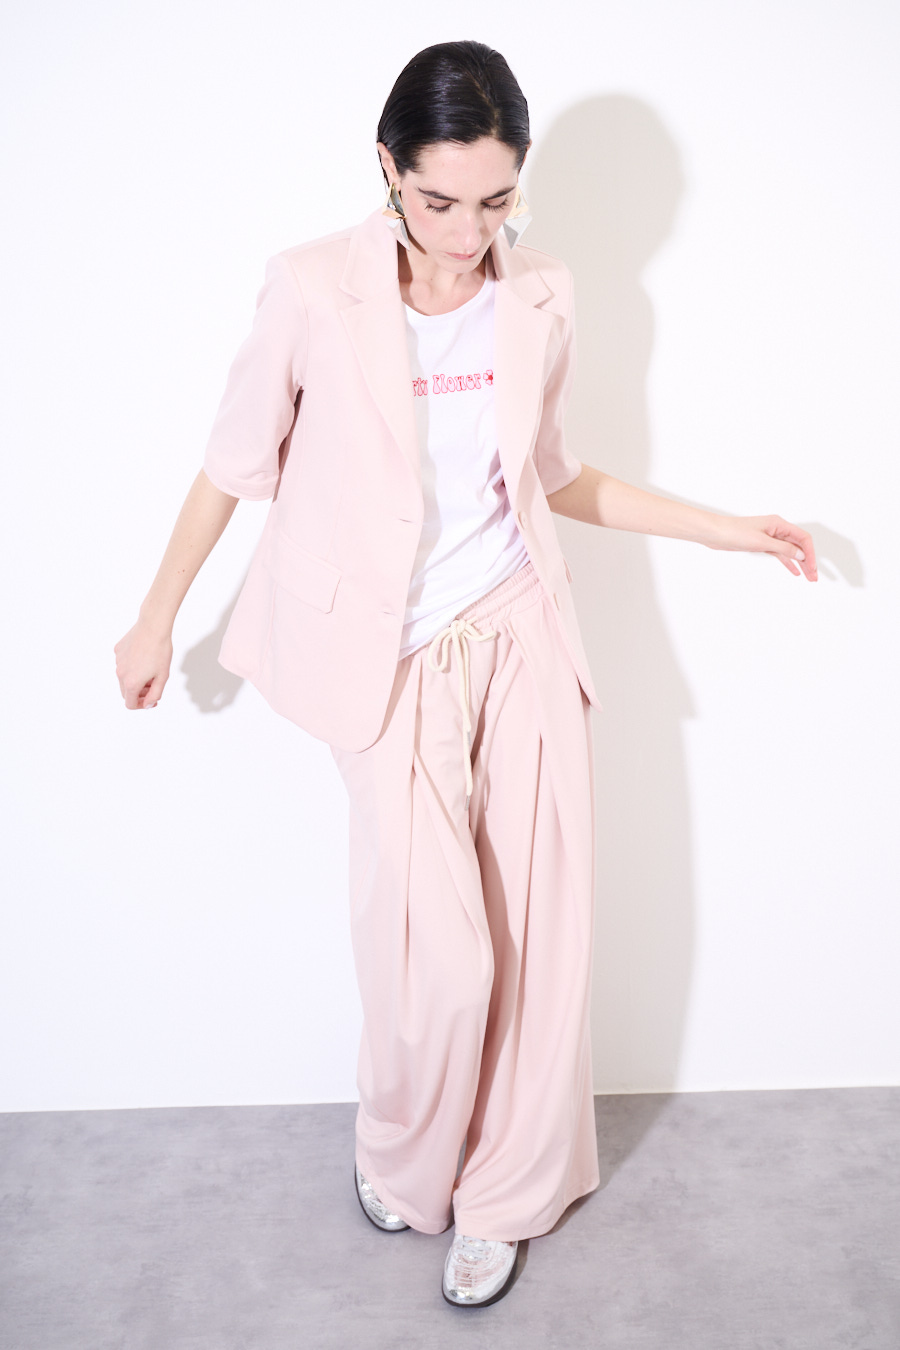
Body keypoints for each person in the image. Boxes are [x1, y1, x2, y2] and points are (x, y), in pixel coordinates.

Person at [114, 40, 817, 1309]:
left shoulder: (540, 292)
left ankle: (505, 1197)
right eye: (438, 199)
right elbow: (232, 464)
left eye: (495, 201)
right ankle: (402, 1154)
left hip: (518, 630)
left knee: (540, 940)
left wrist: (726, 529)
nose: (464, 232)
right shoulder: (310, 288)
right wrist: (156, 618)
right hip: (382, 658)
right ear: (388, 168)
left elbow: (553, 474)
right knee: (436, 956)